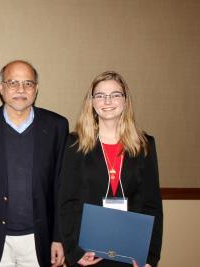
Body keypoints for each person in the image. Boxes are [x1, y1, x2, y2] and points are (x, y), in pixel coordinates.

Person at [0, 60, 68, 267]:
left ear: (36, 89)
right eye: (13, 83)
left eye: (28, 83)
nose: (21, 89)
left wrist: (59, 237)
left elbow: (60, 187)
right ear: (1, 88)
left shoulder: (57, 126)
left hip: (39, 238)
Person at [58, 71, 163, 267]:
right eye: (100, 95)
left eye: (115, 94)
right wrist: (74, 251)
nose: (107, 101)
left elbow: (152, 205)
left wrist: (149, 257)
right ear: (92, 102)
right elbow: (67, 202)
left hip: (132, 252)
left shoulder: (144, 145)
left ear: (125, 101)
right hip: (88, 252)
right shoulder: (75, 144)